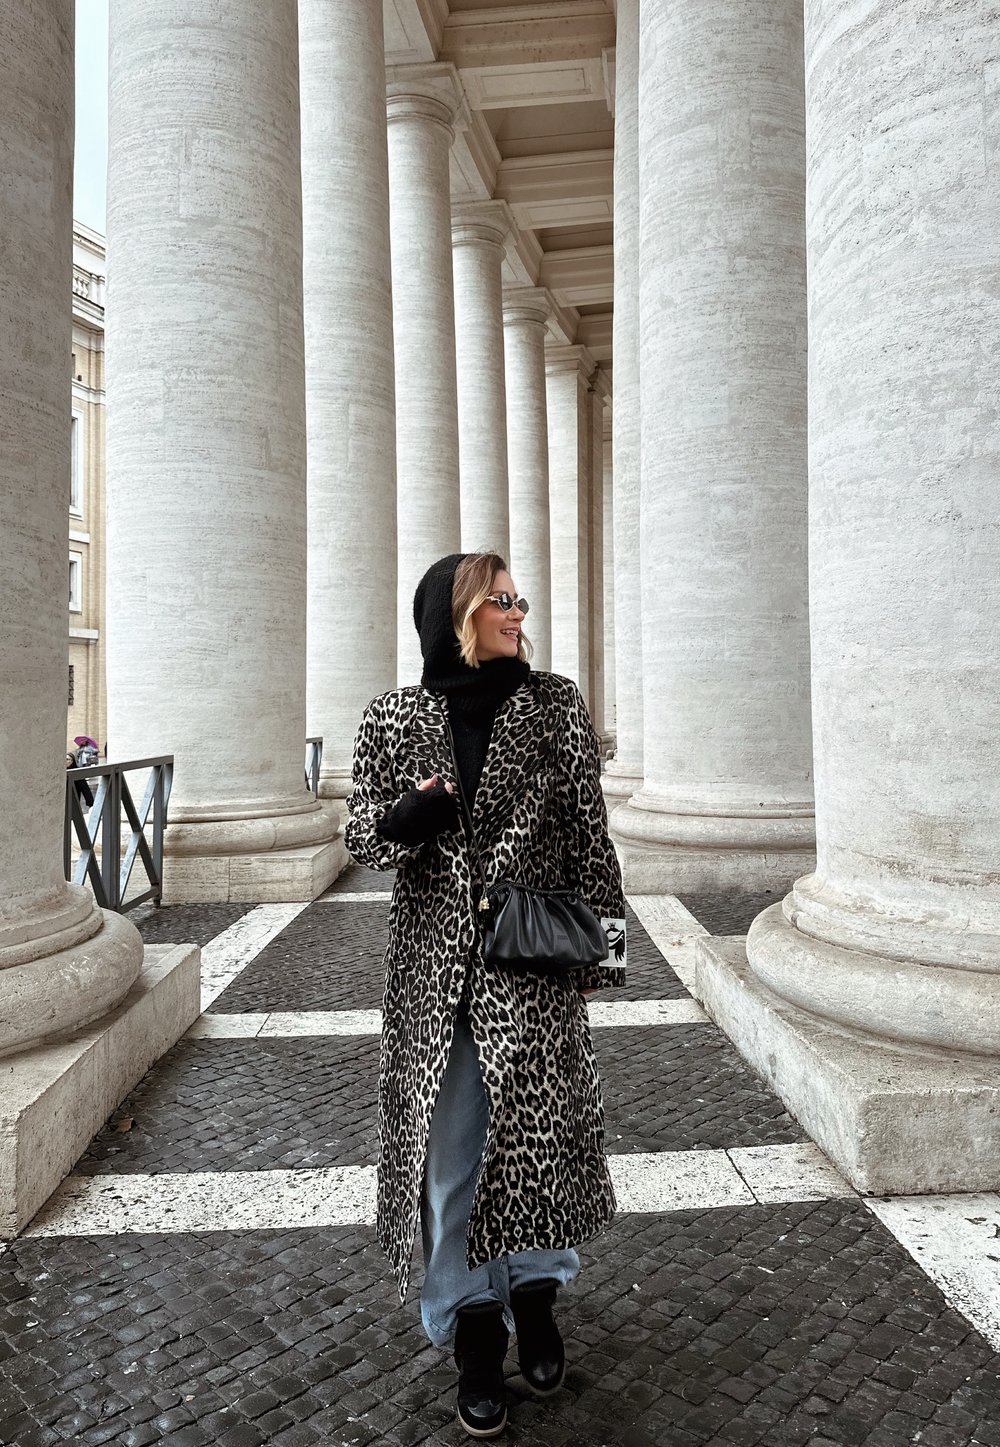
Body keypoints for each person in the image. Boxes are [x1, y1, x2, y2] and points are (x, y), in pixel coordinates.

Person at [345, 551, 627, 1438]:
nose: (517, 611)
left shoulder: (554, 705)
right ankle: (472, 1326)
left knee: (540, 1142)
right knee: (451, 1156)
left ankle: (537, 1298)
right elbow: (361, 836)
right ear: (457, 613)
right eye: (501, 599)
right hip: (434, 976)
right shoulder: (392, 716)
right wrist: (408, 818)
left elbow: (590, 833)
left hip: (532, 963)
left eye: (518, 599)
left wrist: (603, 955)